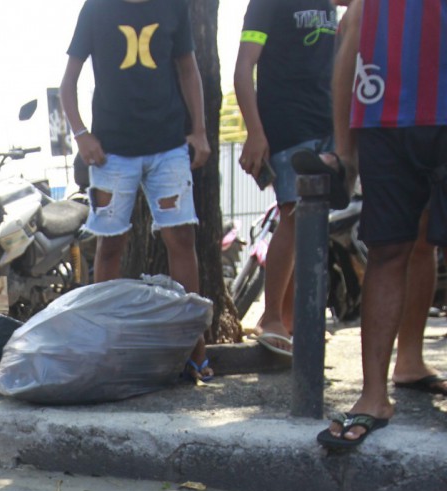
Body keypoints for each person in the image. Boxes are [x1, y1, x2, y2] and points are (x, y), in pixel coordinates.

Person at [312, 0, 447, 449]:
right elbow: (352, 28)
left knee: (418, 245)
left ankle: (405, 367)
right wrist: (345, 150)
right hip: (384, 116)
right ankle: (374, 395)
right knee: (388, 249)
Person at [60, 0, 213, 382]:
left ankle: (195, 349)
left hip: (168, 147)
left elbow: (188, 69)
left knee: (181, 239)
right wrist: (81, 135)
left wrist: (200, 131)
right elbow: (68, 82)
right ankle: (105, 349)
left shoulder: (174, 7)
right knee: (110, 246)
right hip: (111, 153)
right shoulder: (95, 9)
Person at [233, 0, 341, 357]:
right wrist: (254, 132)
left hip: (329, 122)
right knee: (293, 216)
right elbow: (244, 66)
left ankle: (295, 319)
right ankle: (271, 316)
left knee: (315, 224)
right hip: (287, 123)